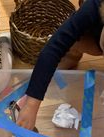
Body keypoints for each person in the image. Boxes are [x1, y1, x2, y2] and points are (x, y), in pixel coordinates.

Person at [17, 0, 104, 129]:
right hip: (93, 32)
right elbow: (54, 47)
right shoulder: (93, 7)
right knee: (65, 53)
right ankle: (74, 54)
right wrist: (32, 103)